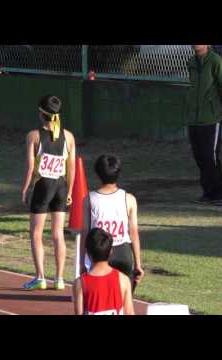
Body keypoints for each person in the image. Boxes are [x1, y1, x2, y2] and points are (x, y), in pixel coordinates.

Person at [21, 95, 76, 291]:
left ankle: (40, 277)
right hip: (60, 186)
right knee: (58, 234)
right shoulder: (68, 136)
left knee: (36, 233)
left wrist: (25, 189)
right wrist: (69, 191)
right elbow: (72, 168)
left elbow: (29, 168)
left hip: (43, 185)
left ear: (40, 114)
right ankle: (60, 279)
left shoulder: (33, 136)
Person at [80, 155, 144, 292]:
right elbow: (134, 234)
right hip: (123, 253)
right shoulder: (129, 199)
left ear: (98, 174)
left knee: (102, 301)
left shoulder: (89, 199)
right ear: (118, 173)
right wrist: (138, 264)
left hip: (100, 254)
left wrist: (81, 261)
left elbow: (85, 232)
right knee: (125, 301)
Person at [185, 45, 222, 206]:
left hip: (211, 119)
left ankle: (220, 194)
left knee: (210, 156)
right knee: (199, 156)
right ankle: (208, 193)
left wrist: (215, 107)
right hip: (194, 118)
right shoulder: (191, 62)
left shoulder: (216, 61)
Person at [73, 228, 134, 315]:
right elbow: (129, 313)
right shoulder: (124, 280)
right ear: (111, 252)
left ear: (87, 252)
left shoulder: (80, 283)